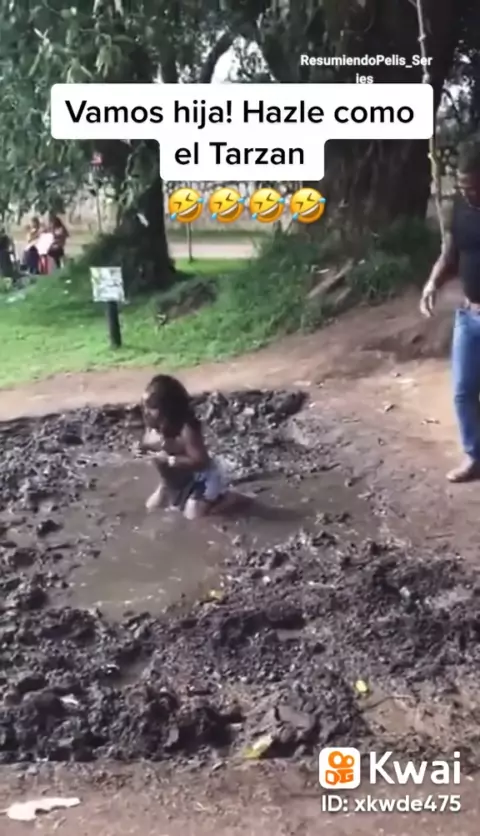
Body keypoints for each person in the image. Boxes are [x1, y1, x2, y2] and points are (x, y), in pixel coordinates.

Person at [420, 139, 480, 483]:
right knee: (463, 392)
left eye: (474, 186)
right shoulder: (460, 208)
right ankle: (475, 456)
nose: (468, 193)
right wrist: (433, 283)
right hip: (469, 316)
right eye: (462, 186)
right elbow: (450, 253)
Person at [140, 374, 229, 519]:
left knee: (193, 516)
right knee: (151, 508)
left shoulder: (186, 429)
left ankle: (229, 500)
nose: (146, 411)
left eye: (152, 407)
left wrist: (172, 459)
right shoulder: (153, 424)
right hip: (173, 481)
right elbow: (146, 444)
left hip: (202, 480)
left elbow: (201, 462)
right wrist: (145, 448)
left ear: (168, 408)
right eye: (145, 406)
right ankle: (178, 495)